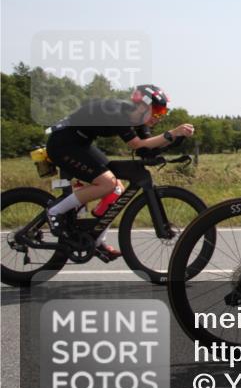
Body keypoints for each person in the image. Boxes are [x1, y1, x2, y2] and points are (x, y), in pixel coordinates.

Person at [44, 84, 195, 260]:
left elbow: (146, 149)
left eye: (162, 113)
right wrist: (170, 133)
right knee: (107, 183)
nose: (158, 117)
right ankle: (54, 211)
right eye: (157, 111)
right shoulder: (117, 112)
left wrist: (176, 139)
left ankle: (97, 239)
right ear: (142, 105)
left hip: (81, 144)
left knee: (116, 190)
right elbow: (136, 144)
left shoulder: (139, 121)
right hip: (63, 144)